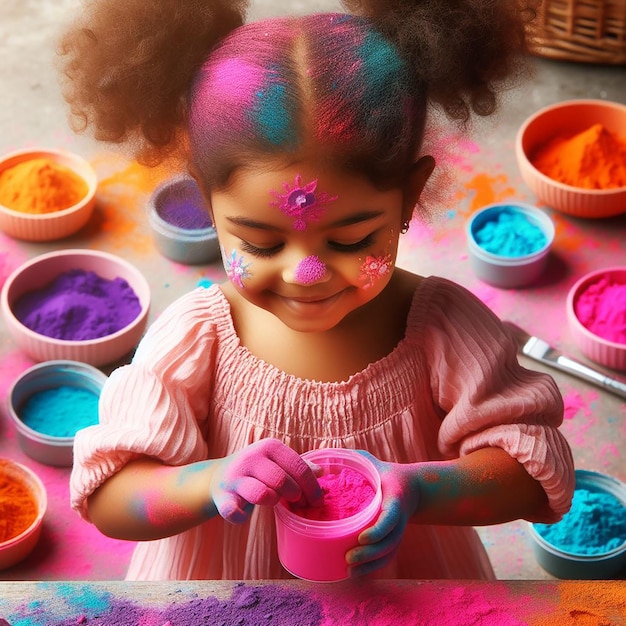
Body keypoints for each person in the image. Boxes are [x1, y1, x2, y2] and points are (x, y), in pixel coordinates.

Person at [59, 0, 575, 581]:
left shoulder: (442, 329)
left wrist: (422, 488)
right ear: (206, 201)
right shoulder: (196, 337)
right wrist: (209, 481)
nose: (307, 275)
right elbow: (108, 499)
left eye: (352, 241)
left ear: (409, 196)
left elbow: (535, 477)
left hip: (399, 594)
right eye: (260, 244)